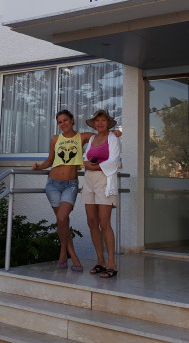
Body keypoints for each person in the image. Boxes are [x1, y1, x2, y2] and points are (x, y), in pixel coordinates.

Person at [32, 109, 93, 272]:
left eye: (65, 120)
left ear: (72, 120)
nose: (63, 123)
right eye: (60, 122)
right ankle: (72, 255)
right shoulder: (55, 139)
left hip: (70, 185)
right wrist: (39, 166)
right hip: (52, 184)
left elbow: (101, 136)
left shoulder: (81, 137)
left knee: (62, 217)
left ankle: (63, 252)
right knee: (62, 221)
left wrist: (115, 133)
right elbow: (50, 160)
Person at [81, 109, 121, 279]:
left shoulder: (113, 138)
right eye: (97, 120)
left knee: (105, 223)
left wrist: (94, 166)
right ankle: (101, 261)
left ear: (108, 123)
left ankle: (112, 263)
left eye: (103, 120)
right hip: (89, 181)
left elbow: (114, 161)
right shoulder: (92, 139)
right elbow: (85, 157)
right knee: (92, 222)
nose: (100, 123)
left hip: (104, 181)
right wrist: (87, 164)